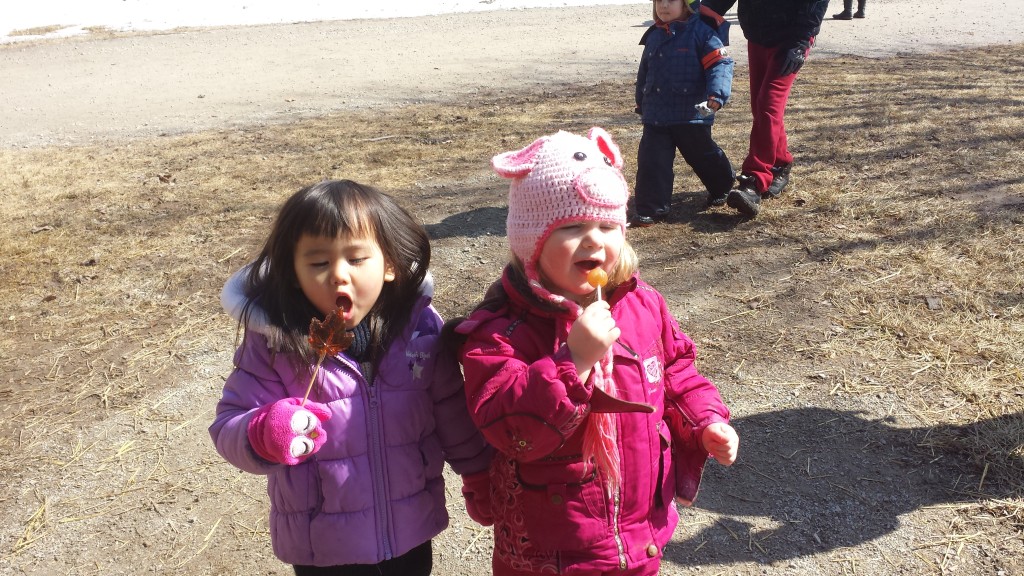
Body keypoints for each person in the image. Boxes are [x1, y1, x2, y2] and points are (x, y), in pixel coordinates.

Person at [446, 128, 739, 575]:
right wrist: (573, 361)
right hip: (551, 551)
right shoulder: (500, 331)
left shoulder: (643, 304)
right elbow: (509, 429)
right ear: (532, 243)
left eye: (607, 226)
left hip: (639, 533)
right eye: (572, 227)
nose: (594, 241)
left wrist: (705, 421)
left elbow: (676, 371)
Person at [209, 180, 491, 576]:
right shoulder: (275, 344)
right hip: (323, 543)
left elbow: (450, 408)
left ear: (390, 264)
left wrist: (478, 471)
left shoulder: (419, 328)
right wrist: (263, 432)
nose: (339, 276)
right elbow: (229, 423)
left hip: (410, 527)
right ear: (292, 273)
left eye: (357, 259)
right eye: (319, 263)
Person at [703, 0, 831, 217]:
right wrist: (704, 14)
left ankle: (754, 180)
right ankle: (780, 163)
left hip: (791, 40)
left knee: (768, 105)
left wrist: (802, 41)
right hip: (758, 33)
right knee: (760, 106)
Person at [632, 0, 737, 225]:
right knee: (652, 161)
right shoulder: (653, 35)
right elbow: (645, 71)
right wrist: (641, 101)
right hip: (656, 114)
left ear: (686, 4)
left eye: (671, 0)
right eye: (659, 1)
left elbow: (720, 64)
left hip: (690, 113)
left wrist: (716, 96)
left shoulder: (702, 32)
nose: (664, 5)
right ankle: (651, 208)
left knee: (702, 155)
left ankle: (723, 184)